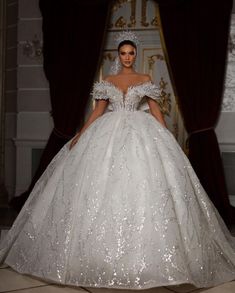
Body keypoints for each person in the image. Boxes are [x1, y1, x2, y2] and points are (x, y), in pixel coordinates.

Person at [0, 31, 235, 290]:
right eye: (123, 53)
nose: (127, 57)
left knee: (145, 187)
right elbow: (98, 111)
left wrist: (166, 136)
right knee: (102, 187)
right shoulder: (108, 81)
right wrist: (80, 134)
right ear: (118, 55)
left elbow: (156, 110)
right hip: (108, 134)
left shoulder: (145, 79)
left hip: (142, 133)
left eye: (131, 53)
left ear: (135, 55)